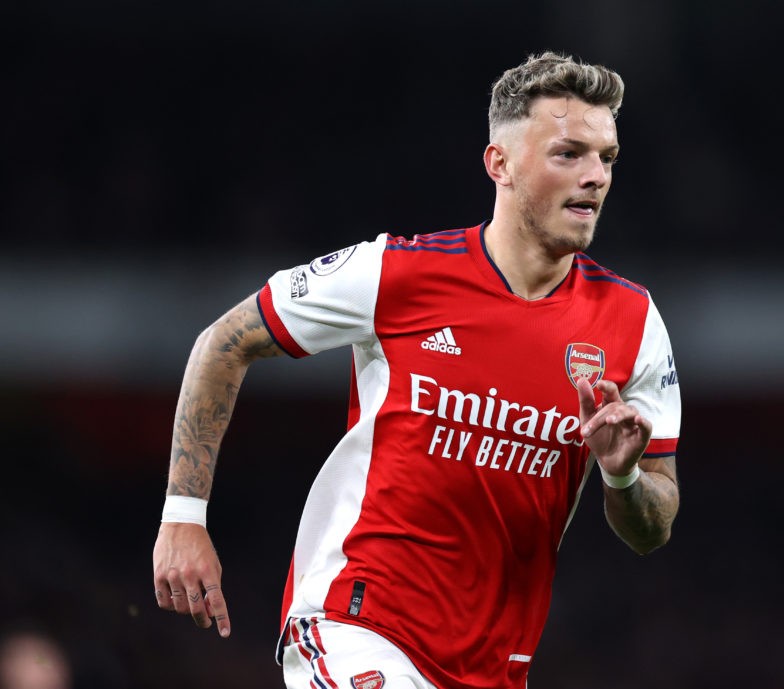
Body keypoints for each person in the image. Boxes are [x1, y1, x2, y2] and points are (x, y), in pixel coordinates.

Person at [153, 51, 681, 689]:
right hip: (357, 621)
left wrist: (621, 476)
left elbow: (654, 529)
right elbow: (223, 341)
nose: (595, 175)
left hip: (493, 663)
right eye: (569, 153)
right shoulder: (396, 274)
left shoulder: (633, 322)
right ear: (501, 164)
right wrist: (183, 516)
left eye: (607, 158)